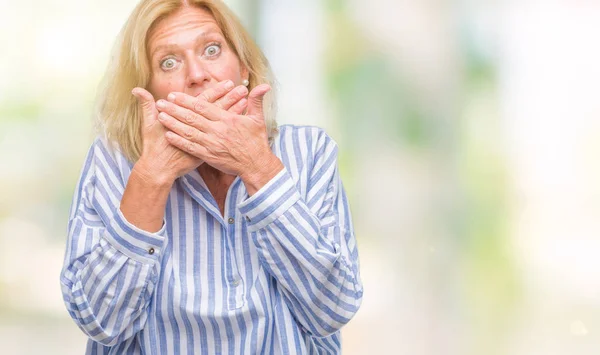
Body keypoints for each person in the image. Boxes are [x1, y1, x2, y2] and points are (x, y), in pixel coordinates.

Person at [60, 0, 363, 353]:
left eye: (212, 49)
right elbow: (101, 323)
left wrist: (257, 166)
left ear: (245, 69)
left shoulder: (310, 152)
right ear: (150, 91)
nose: (197, 74)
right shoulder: (115, 161)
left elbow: (332, 309)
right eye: (168, 62)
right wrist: (152, 177)